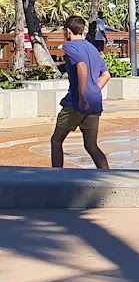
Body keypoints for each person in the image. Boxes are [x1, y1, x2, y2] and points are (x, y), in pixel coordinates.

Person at [50, 15, 111, 169]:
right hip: (95, 102)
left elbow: (81, 66)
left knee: (56, 141)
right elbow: (106, 75)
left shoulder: (69, 46)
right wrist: (94, 90)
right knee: (91, 145)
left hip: (76, 103)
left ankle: (56, 177)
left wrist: (83, 95)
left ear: (68, 31)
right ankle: (107, 176)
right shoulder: (92, 48)